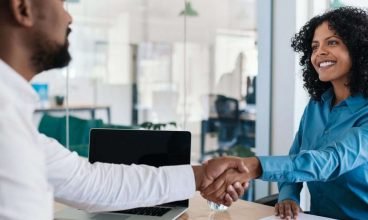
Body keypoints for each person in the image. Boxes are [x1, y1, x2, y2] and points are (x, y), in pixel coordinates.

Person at [0, 0, 249, 219]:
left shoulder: (15, 122)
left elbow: (90, 182)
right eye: (62, 2)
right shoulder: (6, 129)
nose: (69, 17)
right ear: (23, 8)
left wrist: (201, 175)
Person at [203, 6, 368, 220]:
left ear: (359, 49)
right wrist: (288, 196)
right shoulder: (317, 106)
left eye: (332, 42)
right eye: (314, 46)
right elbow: (296, 157)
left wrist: (254, 166)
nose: (320, 52)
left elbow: (329, 161)